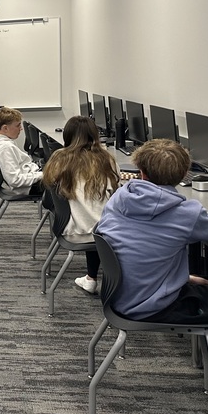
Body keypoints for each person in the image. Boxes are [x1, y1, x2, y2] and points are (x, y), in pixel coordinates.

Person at [97, 138, 208, 362]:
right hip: (153, 305)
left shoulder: (120, 197)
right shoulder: (186, 212)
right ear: (184, 173)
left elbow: (139, 250)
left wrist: (185, 277)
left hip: (120, 296)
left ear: (142, 172)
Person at [40, 116, 120, 294]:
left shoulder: (58, 158)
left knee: (89, 213)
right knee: (103, 215)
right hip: (102, 233)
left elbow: (48, 199)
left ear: (67, 135)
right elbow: (115, 193)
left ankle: (91, 279)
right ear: (95, 135)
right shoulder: (107, 159)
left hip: (70, 229)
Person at [0, 106, 43, 197]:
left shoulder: (2, 143)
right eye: (18, 125)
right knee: (66, 180)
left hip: (30, 177)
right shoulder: (5, 148)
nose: (21, 128)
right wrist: (43, 175)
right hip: (29, 187)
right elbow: (15, 180)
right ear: (5, 128)